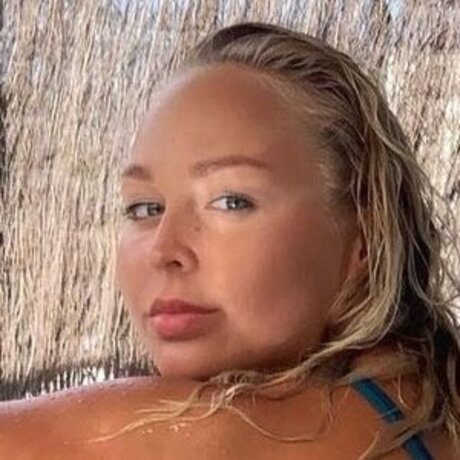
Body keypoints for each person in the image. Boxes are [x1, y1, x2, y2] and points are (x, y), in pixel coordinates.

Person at [0, 21, 459, 459]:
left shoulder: (266, 431)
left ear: (365, 238)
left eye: (231, 201)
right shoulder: (420, 402)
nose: (164, 249)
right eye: (144, 208)